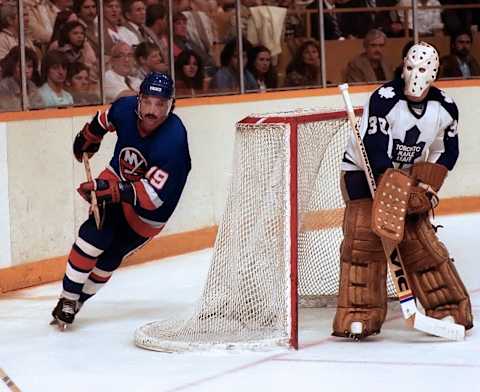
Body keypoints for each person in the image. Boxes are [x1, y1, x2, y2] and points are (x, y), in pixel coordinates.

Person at [332, 42, 473, 339]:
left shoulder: (445, 107)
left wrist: (427, 186)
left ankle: (447, 306)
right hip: (364, 174)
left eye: (422, 70)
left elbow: (447, 152)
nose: (414, 75)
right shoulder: (384, 98)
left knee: (419, 244)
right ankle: (359, 313)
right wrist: (392, 188)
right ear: (402, 65)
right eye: (410, 67)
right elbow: (373, 147)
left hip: (408, 180)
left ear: (433, 72)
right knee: (364, 240)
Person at [50, 71, 191, 328]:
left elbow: (153, 197)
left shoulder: (174, 140)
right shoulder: (125, 109)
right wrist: (90, 136)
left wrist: (111, 190)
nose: (152, 111)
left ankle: (78, 301)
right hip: (118, 177)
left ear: (171, 106)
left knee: (110, 258)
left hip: (149, 214)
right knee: (94, 236)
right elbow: (104, 120)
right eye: (147, 101)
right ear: (138, 100)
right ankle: (68, 299)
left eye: (161, 104)